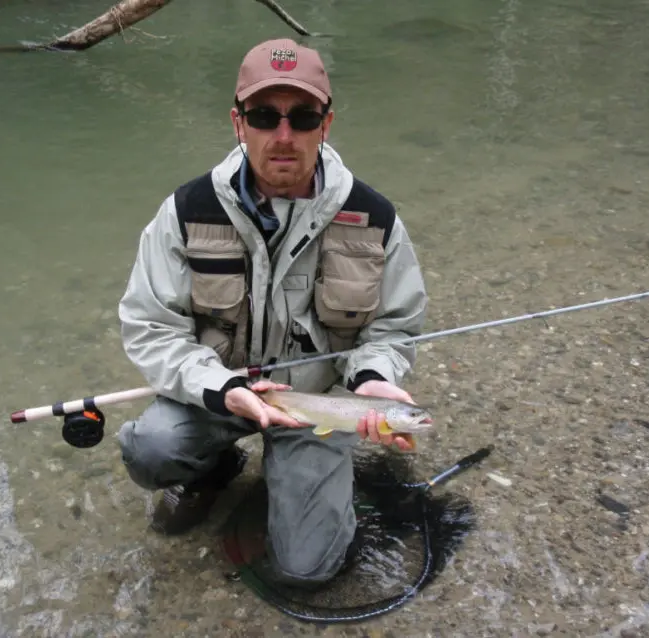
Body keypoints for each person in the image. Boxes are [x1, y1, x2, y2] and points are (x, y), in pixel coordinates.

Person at [117, 37, 428, 589]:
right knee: (150, 447)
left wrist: (374, 379)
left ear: (325, 125)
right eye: (265, 116)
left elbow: (393, 326)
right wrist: (219, 388)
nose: (284, 136)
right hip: (220, 394)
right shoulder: (186, 211)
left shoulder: (374, 217)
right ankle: (213, 471)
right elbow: (150, 328)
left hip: (317, 413)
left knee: (307, 570)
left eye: (303, 117)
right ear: (238, 123)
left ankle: (309, 488)